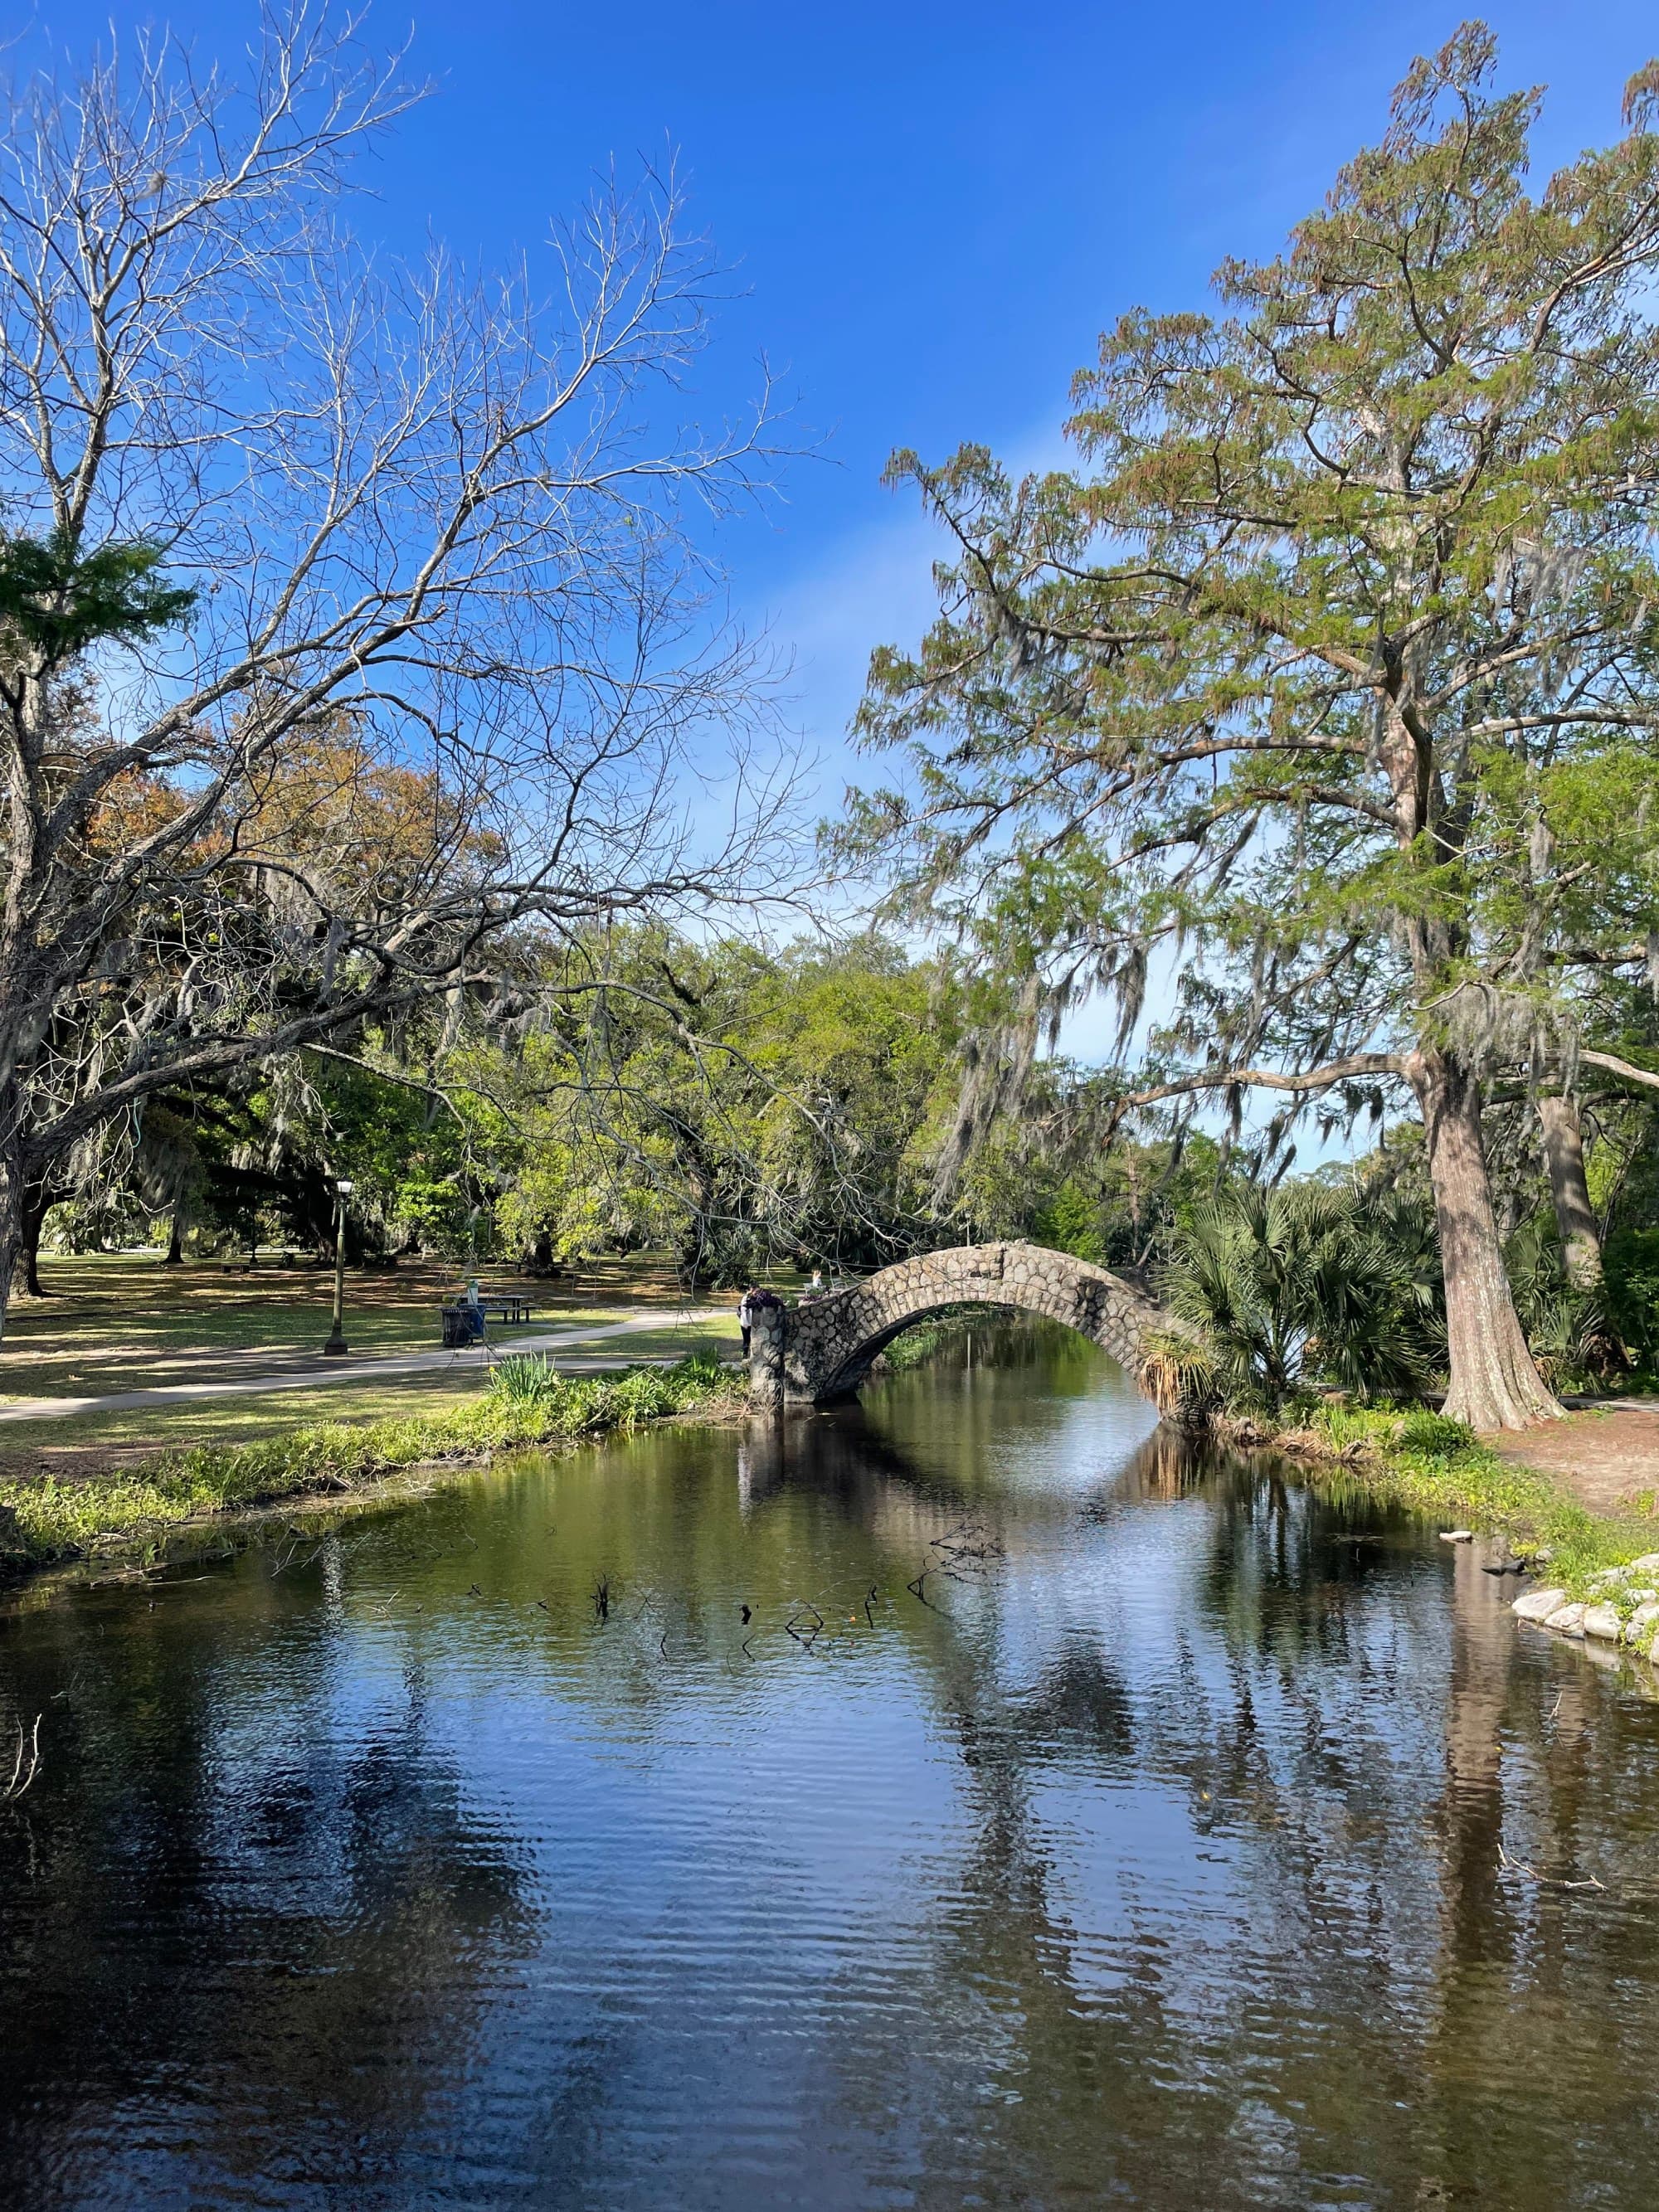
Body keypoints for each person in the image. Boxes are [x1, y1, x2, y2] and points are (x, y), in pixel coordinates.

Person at [737, 1286, 756, 1356]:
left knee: (753, 1340)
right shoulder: (745, 1300)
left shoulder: (754, 1299)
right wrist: (746, 1324)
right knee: (746, 1340)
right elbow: (744, 1312)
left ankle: (751, 1355)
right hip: (746, 1324)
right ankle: (745, 1355)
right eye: (753, 1291)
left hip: (751, 1323)